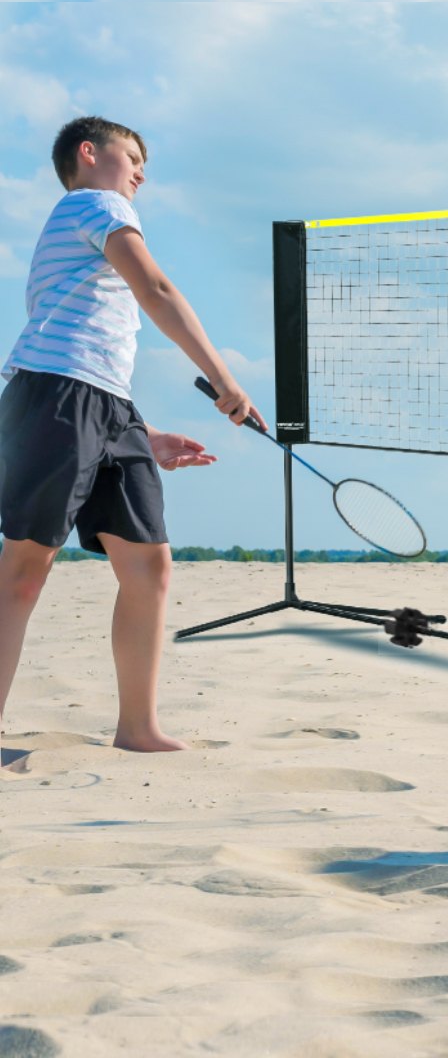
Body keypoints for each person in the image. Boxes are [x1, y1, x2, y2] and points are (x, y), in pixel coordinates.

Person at [0, 116, 262, 761]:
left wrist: (139, 432)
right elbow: (156, 289)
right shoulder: (95, 202)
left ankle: (138, 728)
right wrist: (224, 379)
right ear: (89, 153)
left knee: (148, 565)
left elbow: (94, 355)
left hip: (105, 404)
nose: (142, 172)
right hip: (56, 395)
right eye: (133, 156)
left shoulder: (84, 222)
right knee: (25, 570)